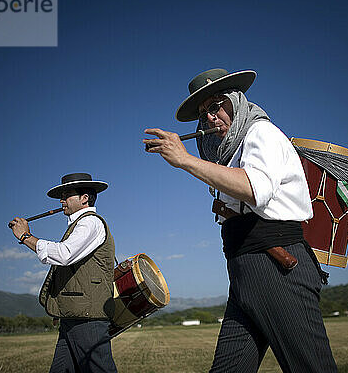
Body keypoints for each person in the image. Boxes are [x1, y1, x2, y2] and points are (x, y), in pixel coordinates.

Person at [143, 68, 337, 372]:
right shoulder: (228, 153)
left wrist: (184, 160)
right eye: (204, 111)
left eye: (217, 105)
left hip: (277, 266)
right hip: (244, 269)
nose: (210, 116)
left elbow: (253, 189)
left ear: (236, 100)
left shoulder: (262, 133)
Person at [9, 172, 118, 373]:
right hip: (74, 315)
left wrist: (26, 237)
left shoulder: (90, 222)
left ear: (84, 198)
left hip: (88, 317)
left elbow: (63, 254)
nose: (62, 200)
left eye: (67, 195)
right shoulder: (80, 224)